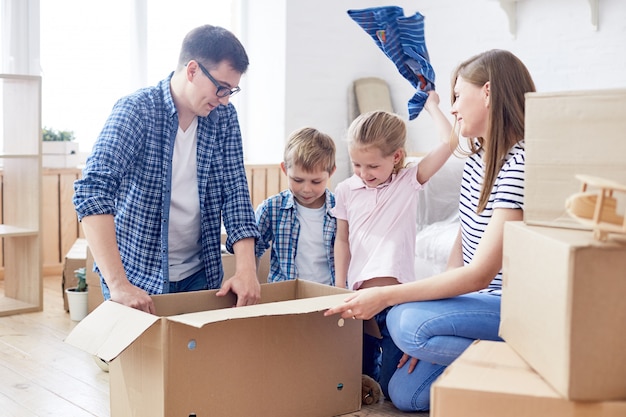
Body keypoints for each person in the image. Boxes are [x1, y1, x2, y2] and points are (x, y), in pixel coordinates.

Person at [325, 49, 536, 411]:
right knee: (406, 393)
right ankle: (494, 378)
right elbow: (465, 239)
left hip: (510, 306)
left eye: (457, 96)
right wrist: (439, 308)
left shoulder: (521, 162)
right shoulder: (478, 162)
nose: (453, 108)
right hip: (479, 305)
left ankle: (533, 362)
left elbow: (480, 274)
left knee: (405, 323)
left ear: (487, 93)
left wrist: (391, 296)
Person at [73, 24, 260, 315]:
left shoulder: (224, 117)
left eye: (231, 91)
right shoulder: (136, 111)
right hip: (137, 274)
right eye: (220, 88)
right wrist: (119, 284)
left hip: (201, 272)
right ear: (193, 70)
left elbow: (235, 192)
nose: (224, 99)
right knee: (140, 359)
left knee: (194, 359)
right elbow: (92, 192)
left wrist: (247, 269)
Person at [331, 91, 455, 394]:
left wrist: (432, 106)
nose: (363, 173)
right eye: (357, 164)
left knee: (388, 389)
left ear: (396, 157)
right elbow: (342, 240)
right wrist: (337, 287)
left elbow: (450, 142)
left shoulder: (408, 181)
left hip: (397, 303)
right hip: (357, 302)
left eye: (372, 166)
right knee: (354, 386)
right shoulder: (346, 189)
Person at [254, 127, 337, 285]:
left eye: (316, 181)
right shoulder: (272, 208)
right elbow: (252, 248)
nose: (306, 189)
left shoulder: (340, 209)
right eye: (297, 180)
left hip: (329, 296)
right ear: (285, 169)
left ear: (331, 172)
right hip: (285, 297)